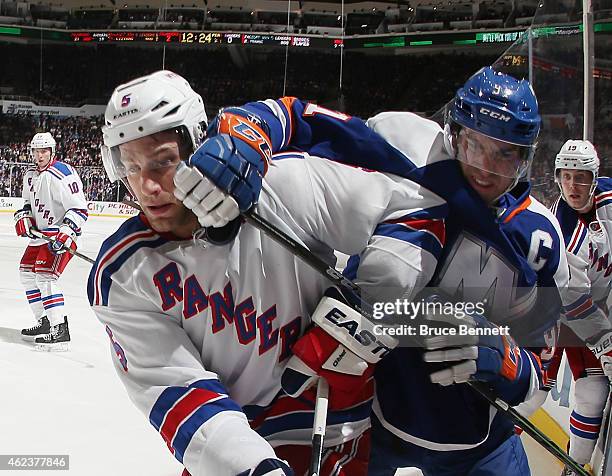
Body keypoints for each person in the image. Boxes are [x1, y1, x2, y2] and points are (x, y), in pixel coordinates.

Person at [206, 66, 570, 475]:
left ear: (526, 157)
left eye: (504, 154)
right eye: (474, 145)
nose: (486, 168)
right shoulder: (411, 147)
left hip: (480, 445)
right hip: (369, 420)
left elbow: (542, 376)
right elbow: (298, 117)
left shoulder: (540, 239)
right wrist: (245, 138)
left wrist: (507, 361)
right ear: (454, 134)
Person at [90, 70, 449, 476]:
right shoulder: (123, 273)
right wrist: (254, 467)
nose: (147, 187)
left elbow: (415, 206)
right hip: (235, 442)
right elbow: (180, 393)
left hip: (333, 424)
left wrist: (371, 301)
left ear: (196, 143)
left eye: (164, 162)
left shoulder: (282, 184)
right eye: (131, 167)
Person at [545, 139, 612, 475]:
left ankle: (577, 464)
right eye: (566, 176)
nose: (573, 186)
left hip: (601, 302)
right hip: (560, 311)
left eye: (581, 176)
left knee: (593, 392)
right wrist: (606, 347)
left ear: (595, 178)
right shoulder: (563, 229)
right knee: (535, 390)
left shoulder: (610, 201)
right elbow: (573, 300)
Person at [14, 132, 88, 350]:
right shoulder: (30, 175)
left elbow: (79, 208)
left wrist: (66, 231)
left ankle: (60, 330)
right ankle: (45, 321)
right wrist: (24, 218)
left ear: (52, 151)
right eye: (36, 151)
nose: (40, 155)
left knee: (45, 277)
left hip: (63, 235)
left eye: (44, 150)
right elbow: (27, 204)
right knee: (26, 274)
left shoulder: (62, 173)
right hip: (41, 236)